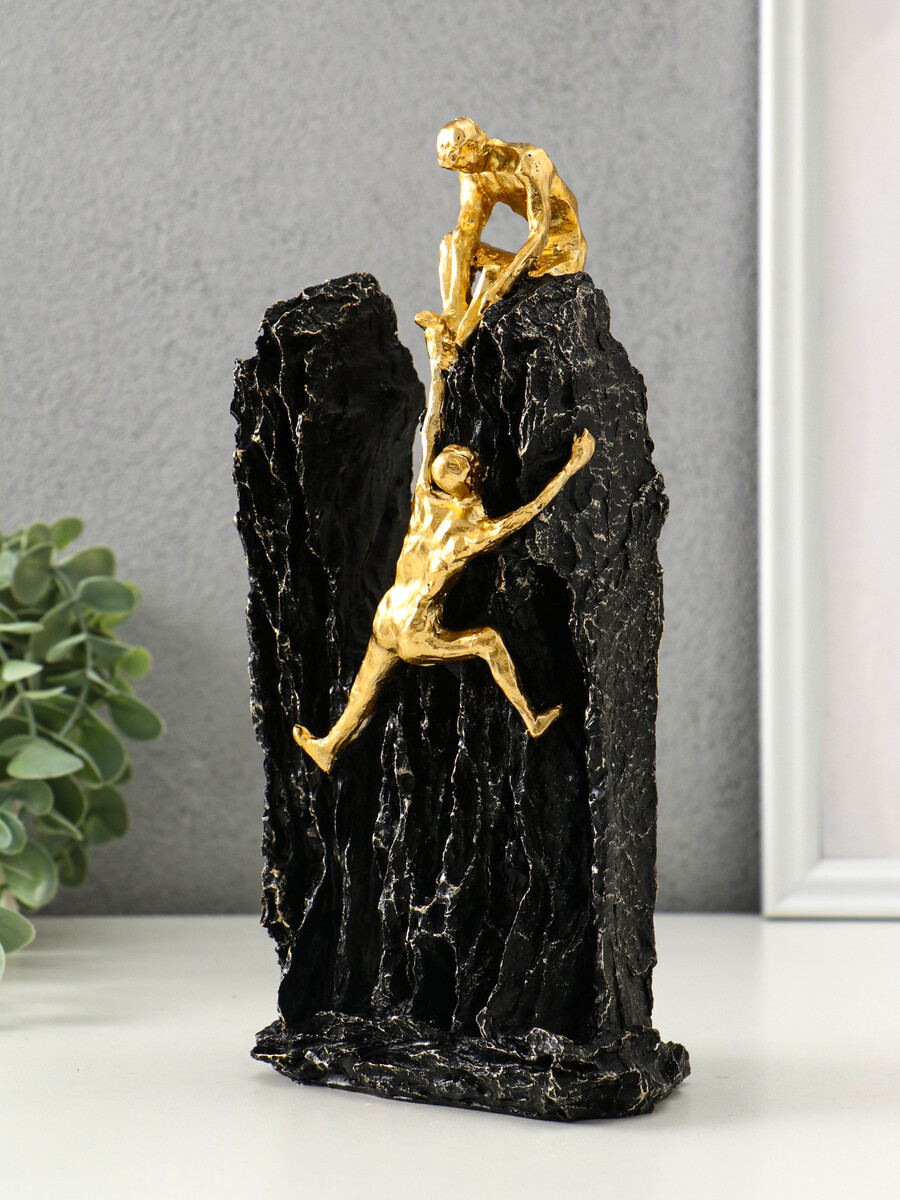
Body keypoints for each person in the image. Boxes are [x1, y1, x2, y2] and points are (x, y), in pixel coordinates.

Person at [292, 316, 595, 774]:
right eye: (449, 457)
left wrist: (571, 466)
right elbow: (432, 431)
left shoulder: (457, 522)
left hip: (401, 621)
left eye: (458, 460)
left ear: (469, 481)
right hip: (399, 622)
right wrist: (436, 364)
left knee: (461, 651)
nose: (448, 458)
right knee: (451, 656)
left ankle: (530, 719)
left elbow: (526, 508)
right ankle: (331, 745)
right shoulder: (439, 509)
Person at [419, 117, 588, 348]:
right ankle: (450, 326)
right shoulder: (474, 174)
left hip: (563, 255)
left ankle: (460, 344)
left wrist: (501, 287)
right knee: (451, 244)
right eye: (457, 168)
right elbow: (466, 232)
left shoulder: (529, 160)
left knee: (493, 275)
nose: (463, 171)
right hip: (535, 254)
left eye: (463, 164)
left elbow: (539, 235)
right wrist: (453, 306)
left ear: (473, 148)